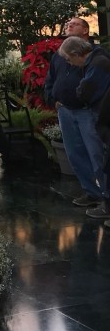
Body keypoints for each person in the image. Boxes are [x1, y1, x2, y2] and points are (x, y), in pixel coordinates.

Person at [57, 35, 110, 218]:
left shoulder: (98, 62)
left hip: (96, 114)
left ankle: (106, 202)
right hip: (79, 111)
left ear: (76, 53)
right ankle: (95, 195)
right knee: (79, 154)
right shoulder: (93, 62)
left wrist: (81, 90)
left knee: (100, 158)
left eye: (68, 59)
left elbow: (85, 91)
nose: (69, 63)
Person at [43, 18, 88, 205]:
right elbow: (50, 80)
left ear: (85, 30)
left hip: (86, 111)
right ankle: (91, 192)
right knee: (74, 154)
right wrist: (52, 99)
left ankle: (105, 195)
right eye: (68, 24)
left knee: (95, 152)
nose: (69, 25)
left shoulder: (93, 54)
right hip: (64, 111)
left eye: (75, 24)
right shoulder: (59, 55)